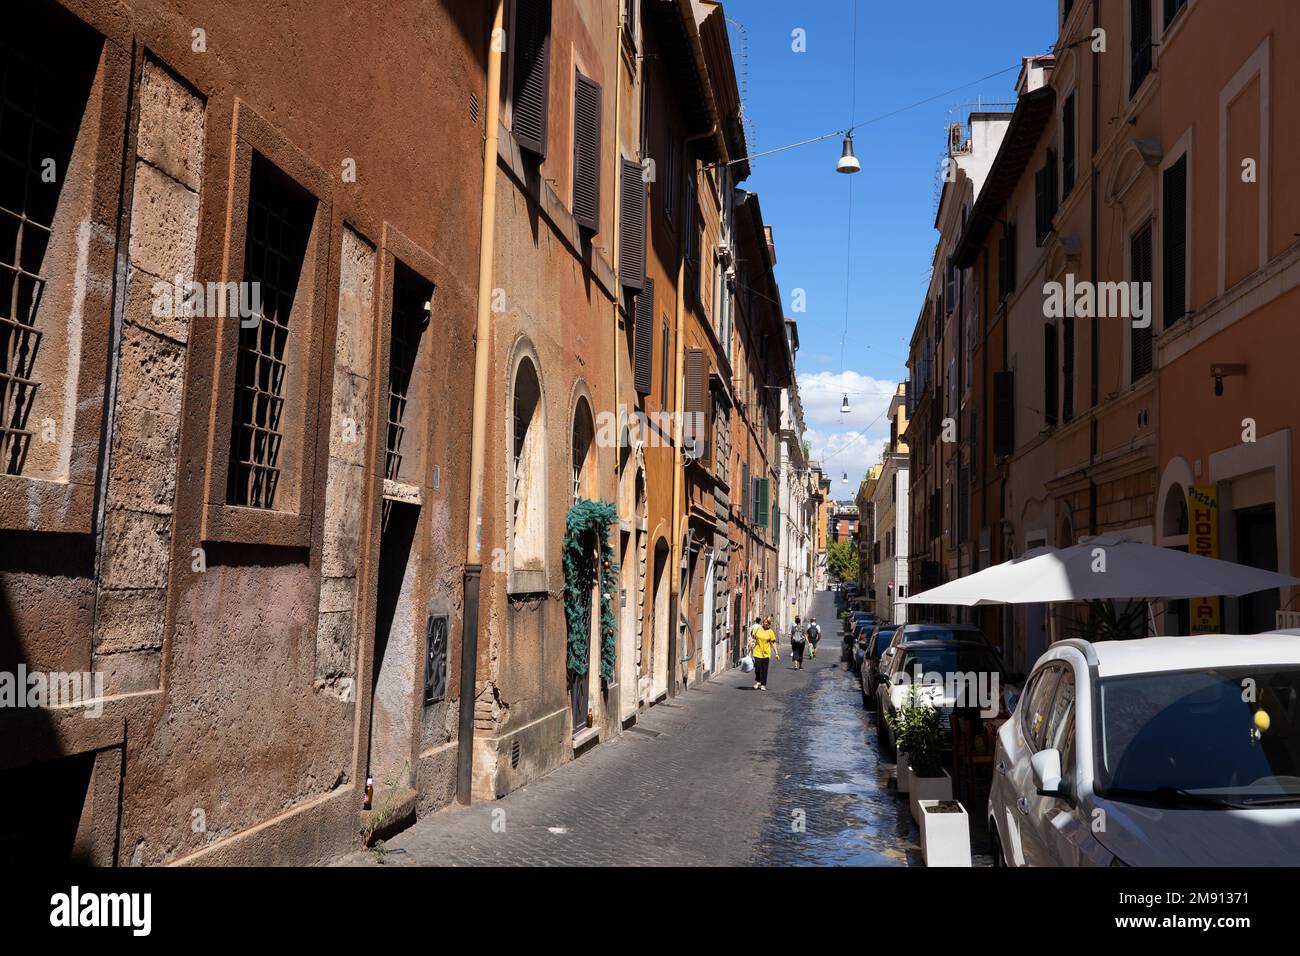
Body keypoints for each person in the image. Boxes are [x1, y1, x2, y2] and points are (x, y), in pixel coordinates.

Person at [748, 616, 779, 690]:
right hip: (757, 651)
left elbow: (773, 643)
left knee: (765, 669)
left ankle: (763, 684)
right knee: (757, 667)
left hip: (766, 653)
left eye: (767, 623)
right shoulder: (757, 629)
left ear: (769, 624)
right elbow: (752, 637)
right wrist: (749, 645)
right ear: (763, 622)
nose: (766, 624)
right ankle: (758, 681)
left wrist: (776, 653)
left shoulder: (770, 632)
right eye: (765, 622)